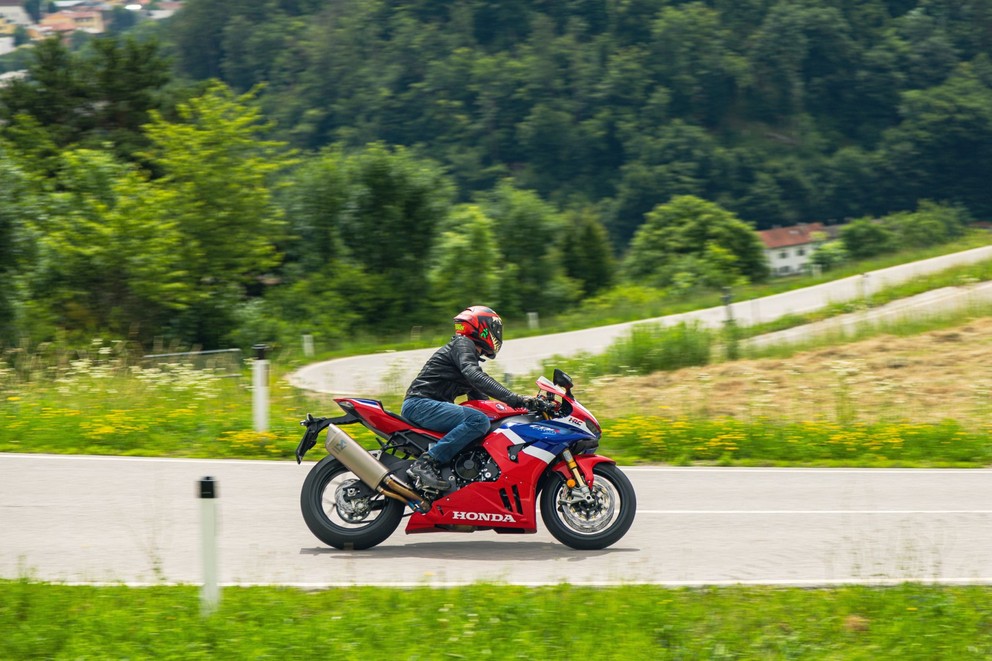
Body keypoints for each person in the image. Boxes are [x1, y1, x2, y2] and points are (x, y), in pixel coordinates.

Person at [402, 305, 535, 491]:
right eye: (495, 328)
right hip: (419, 404)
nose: (498, 333)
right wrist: (515, 398)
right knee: (478, 420)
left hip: (426, 407)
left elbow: (484, 402)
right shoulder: (463, 344)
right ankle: (425, 464)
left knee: (486, 420)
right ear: (482, 328)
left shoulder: (466, 354)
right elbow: (475, 376)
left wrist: (524, 410)